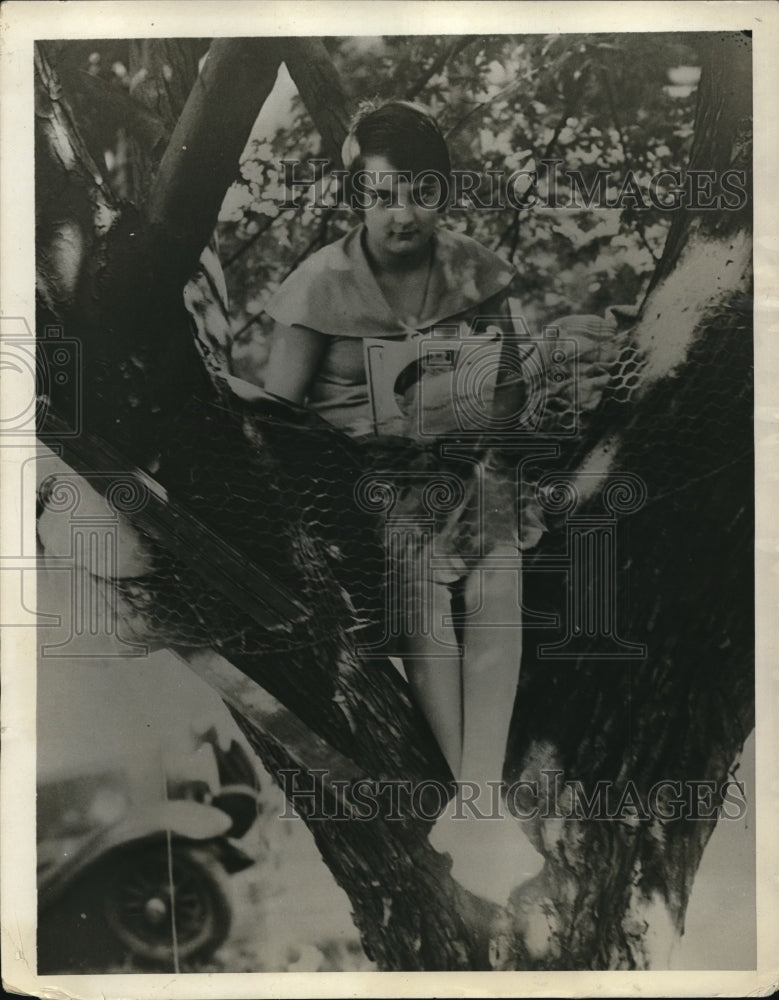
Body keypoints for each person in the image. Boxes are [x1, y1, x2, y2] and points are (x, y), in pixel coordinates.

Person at [261, 101, 545, 904]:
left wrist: (476, 434)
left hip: (457, 470)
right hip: (356, 483)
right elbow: (273, 418)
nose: (402, 213)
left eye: (420, 194)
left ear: (443, 194)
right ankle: (481, 808)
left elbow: (513, 393)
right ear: (360, 196)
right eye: (384, 195)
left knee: (498, 561)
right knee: (416, 563)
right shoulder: (317, 284)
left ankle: (474, 800)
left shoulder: (474, 270)